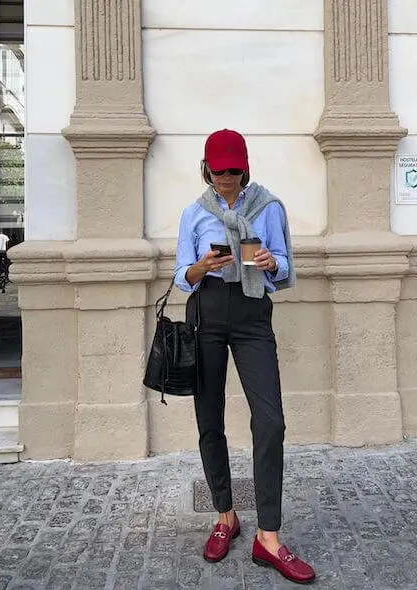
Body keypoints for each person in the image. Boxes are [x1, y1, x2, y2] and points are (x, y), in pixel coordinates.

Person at [174, 129, 315, 585]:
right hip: (207, 311)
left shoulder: (268, 207)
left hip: (253, 313)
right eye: (219, 170)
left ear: (245, 168)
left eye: (234, 169)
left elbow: (287, 264)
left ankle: (268, 537)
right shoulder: (195, 214)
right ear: (207, 169)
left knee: (270, 420)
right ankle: (225, 514)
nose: (227, 178)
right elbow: (181, 274)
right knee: (209, 417)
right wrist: (200, 268)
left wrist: (274, 264)